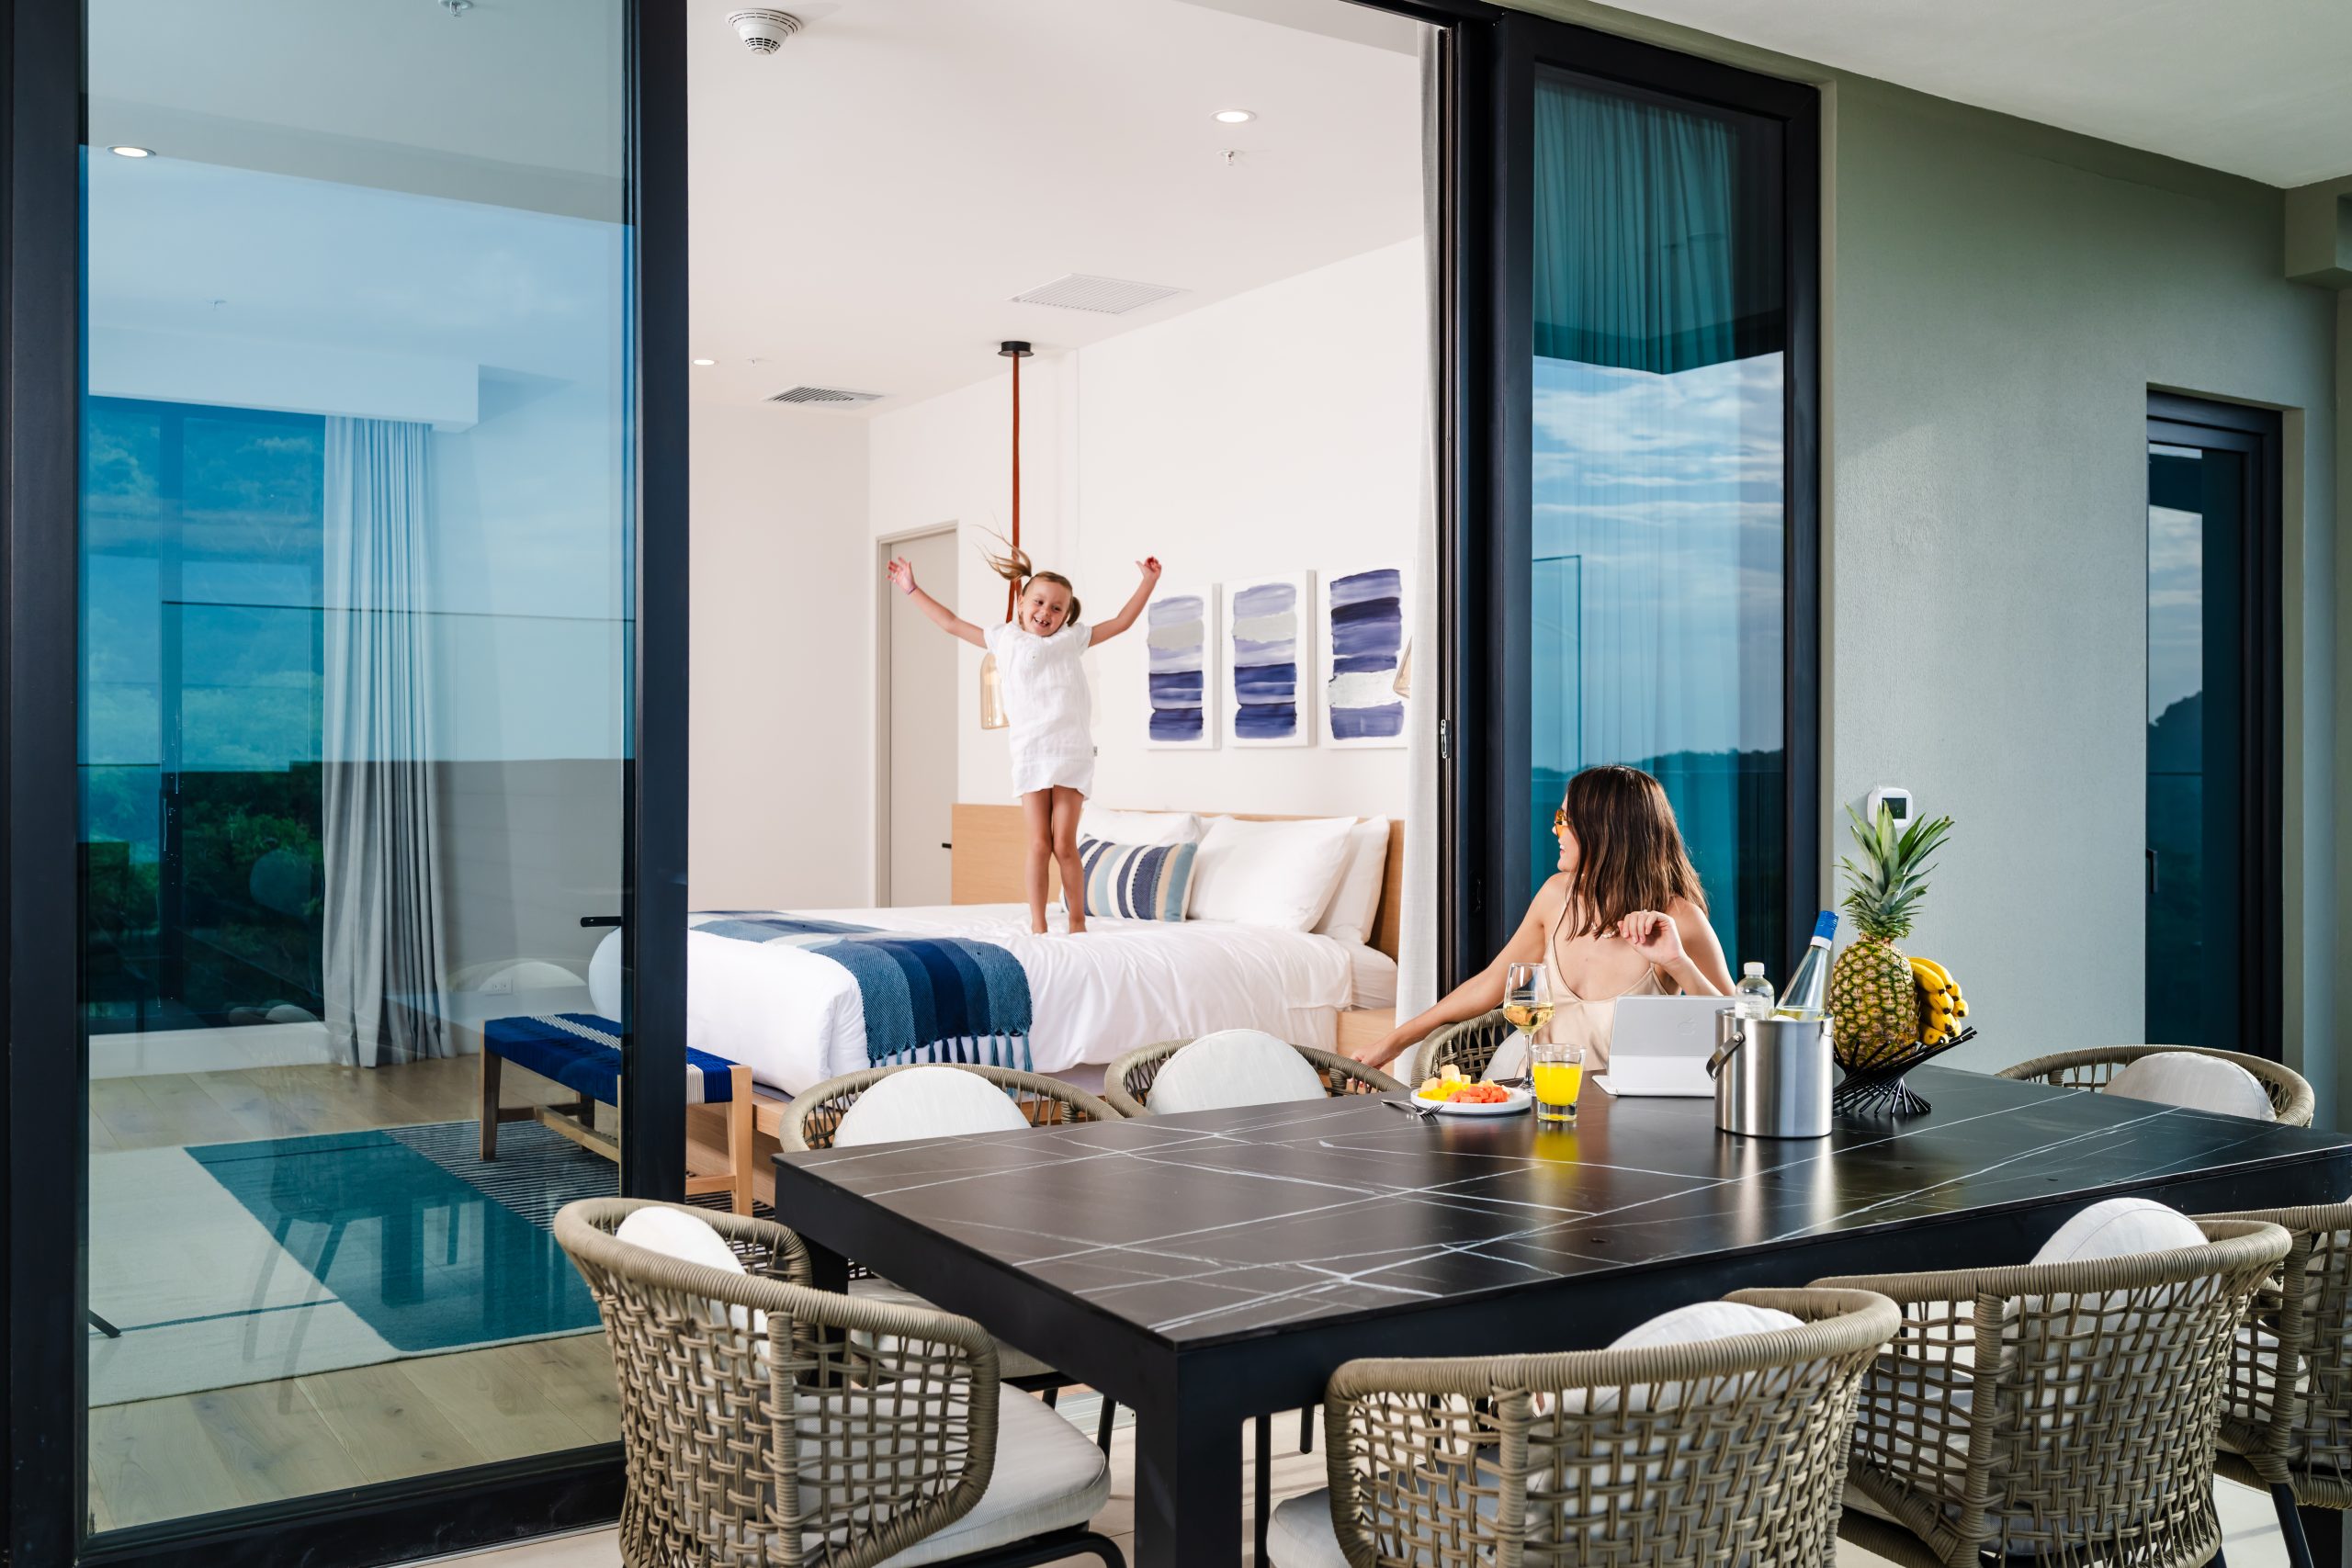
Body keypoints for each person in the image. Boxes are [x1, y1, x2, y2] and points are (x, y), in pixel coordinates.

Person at [1348, 763, 1733, 1077]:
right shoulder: (1555, 896)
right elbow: (1489, 984)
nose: (1555, 829)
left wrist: (1676, 962)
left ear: (1605, 830)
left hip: (1624, 1113)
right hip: (1536, 1094)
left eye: (1565, 819)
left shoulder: (1679, 919)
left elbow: (1736, 1032)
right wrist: (1394, 1042)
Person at [887, 542, 1161, 935]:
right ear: (1021, 603)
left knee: (1064, 844)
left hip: (1070, 753)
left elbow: (1120, 622)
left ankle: (1077, 923)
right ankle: (1038, 926)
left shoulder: (1073, 639)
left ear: (1067, 615)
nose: (1046, 612)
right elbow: (950, 622)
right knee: (1038, 844)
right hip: (1031, 753)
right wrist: (912, 589)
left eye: (1057, 608)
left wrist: (1148, 582)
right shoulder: (1004, 638)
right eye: (1039, 602)